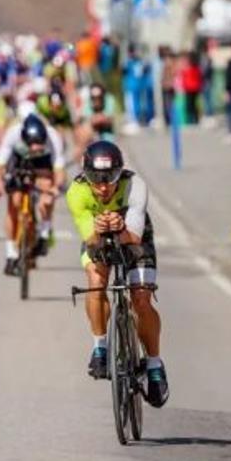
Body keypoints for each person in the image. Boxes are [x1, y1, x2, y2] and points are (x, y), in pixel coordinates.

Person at [66, 141, 169, 408]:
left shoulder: (135, 185)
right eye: (96, 179)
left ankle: (155, 365)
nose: (103, 187)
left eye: (109, 179)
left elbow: (133, 237)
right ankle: (100, 346)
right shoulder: (76, 192)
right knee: (96, 281)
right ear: (85, 175)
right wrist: (100, 230)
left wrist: (119, 225)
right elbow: (91, 241)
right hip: (98, 239)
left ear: (119, 173)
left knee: (142, 299)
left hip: (135, 237)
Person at [0, 110, 66, 275]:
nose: (35, 148)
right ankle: (11, 254)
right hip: (19, 162)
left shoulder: (53, 138)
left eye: (39, 144)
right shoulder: (13, 134)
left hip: (43, 164)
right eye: (32, 145)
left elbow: (59, 171)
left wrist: (56, 187)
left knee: (47, 192)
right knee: (14, 202)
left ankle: (45, 232)